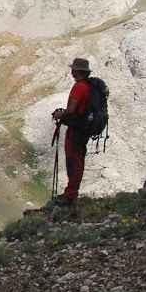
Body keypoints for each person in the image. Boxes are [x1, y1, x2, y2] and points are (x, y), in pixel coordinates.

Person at [49, 58, 93, 207]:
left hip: (76, 128)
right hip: (84, 128)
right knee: (78, 159)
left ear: (77, 71)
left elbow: (72, 110)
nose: (71, 71)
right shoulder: (88, 86)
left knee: (73, 160)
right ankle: (72, 192)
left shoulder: (79, 87)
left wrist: (59, 115)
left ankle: (70, 194)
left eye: (73, 69)